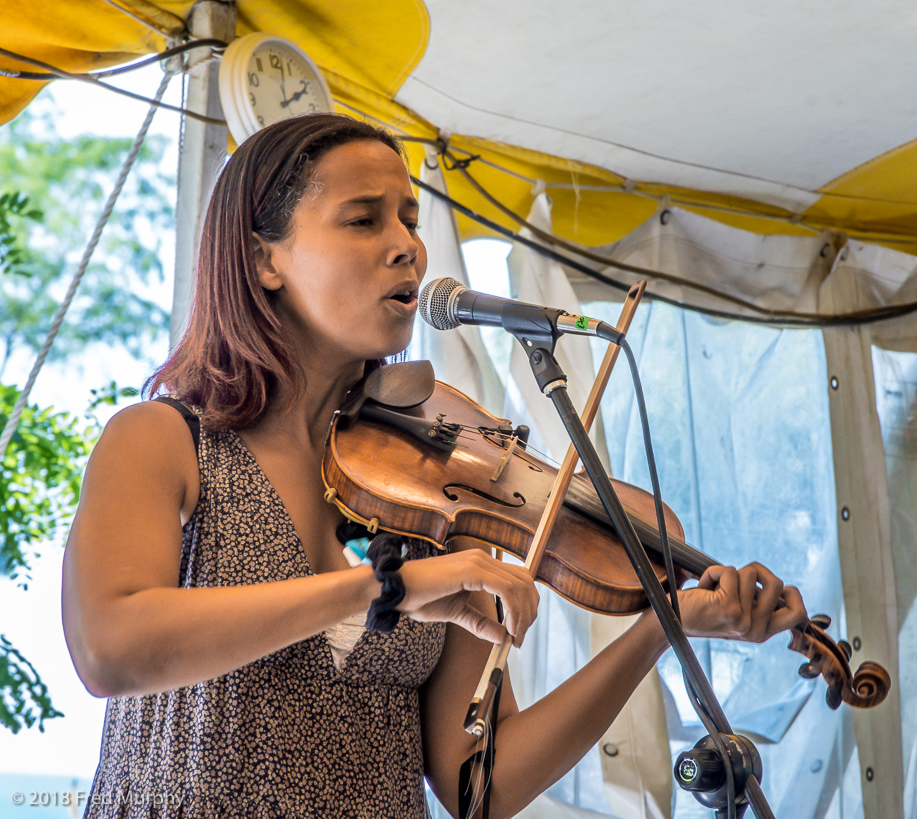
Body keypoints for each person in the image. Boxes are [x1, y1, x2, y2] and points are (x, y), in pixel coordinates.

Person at [61, 112, 807, 819]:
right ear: (264, 260)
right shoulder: (165, 441)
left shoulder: (432, 487)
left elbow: (478, 785)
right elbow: (110, 649)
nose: (406, 247)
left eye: (410, 221)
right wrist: (391, 586)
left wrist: (659, 628)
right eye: (363, 219)